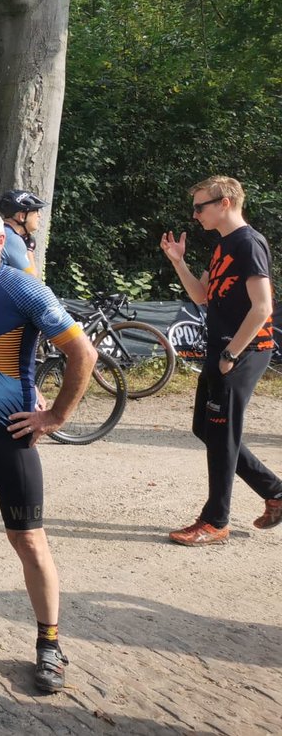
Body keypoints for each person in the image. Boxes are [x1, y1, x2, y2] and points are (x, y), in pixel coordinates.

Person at [0, 203, 96, 694]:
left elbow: (83, 352)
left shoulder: (23, 287)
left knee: (27, 539)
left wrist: (56, 416)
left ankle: (49, 643)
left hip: (9, 434)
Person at [160, 176, 282, 544]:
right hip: (223, 350)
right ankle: (275, 491)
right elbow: (202, 296)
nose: (195, 214)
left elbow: (262, 307)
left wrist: (232, 353)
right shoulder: (222, 245)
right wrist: (178, 262)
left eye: (200, 206)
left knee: (222, 433)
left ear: (224, 202)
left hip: (243, 351)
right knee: (206, 428)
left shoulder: (248, 243)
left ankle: (215, 521)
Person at [0, 189, 47, 277]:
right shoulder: (12, 239)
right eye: (36, 211)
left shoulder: (1, 230)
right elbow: (31, 278)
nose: (39, 215)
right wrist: (29, 249)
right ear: (22, 216)